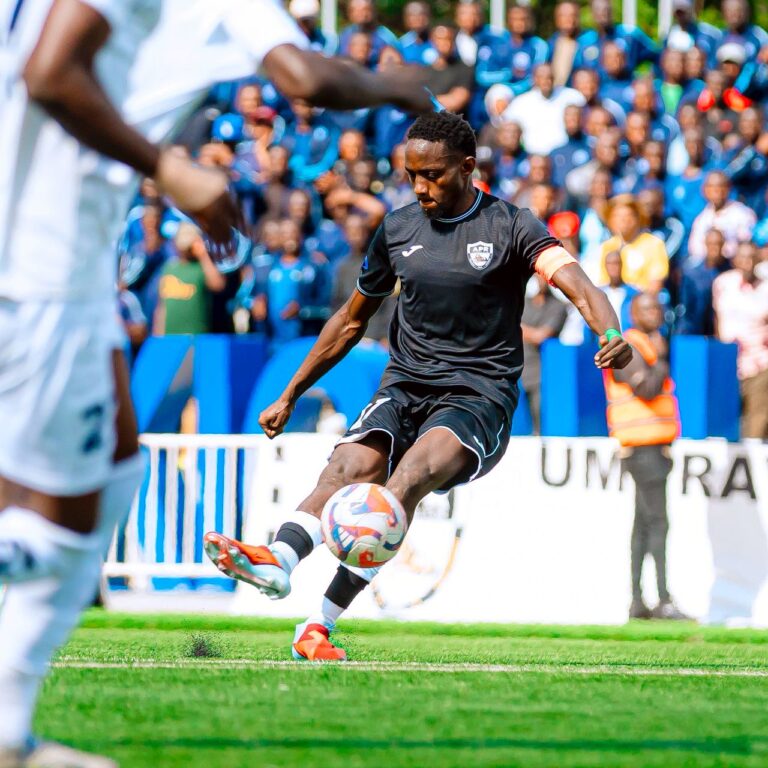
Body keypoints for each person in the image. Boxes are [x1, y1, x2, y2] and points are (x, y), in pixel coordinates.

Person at [0, 1, 433, 765]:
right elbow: (51, 73)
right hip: (37, 266)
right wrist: (175, 171)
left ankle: (9, 728)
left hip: (67, 270)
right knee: (69, 508)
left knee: (109, 474)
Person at [203, 111, 633, 661]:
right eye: (411, 175)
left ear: (468, 167)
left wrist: (610, 331)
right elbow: (351, 320)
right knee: (347, 468)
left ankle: (320, 623)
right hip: (406, 383)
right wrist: (290, 393)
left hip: (479, 396)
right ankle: (279, 561)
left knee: (404, 482)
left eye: (433, 175)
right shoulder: (398, 228)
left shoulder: (513, 226)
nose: (421, 187)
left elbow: (581, 285)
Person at [603, 293, 690, 621]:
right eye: (648, 309)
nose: (656, 313)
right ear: (633, 313)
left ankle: (638, 603)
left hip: (650, 446)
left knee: (642, 524)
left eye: (658, 308)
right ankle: (663, 600)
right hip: (642, 448)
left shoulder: (644, 346)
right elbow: (648, 388)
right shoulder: (627, 347)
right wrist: (663, 357)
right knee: (658, 522)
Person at [713, 241, 768, 438]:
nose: (747, 263)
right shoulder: (722, 284)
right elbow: (717, 319)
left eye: (752, 258)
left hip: (759, 363)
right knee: (725, 423)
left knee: (756, 422)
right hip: (728, 362)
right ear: (735, 260)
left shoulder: (765, 288)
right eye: (743, 258)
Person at [154, 223, 226, 335]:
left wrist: (203, 254)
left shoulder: (201, 268)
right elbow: (161, 307)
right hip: (169, 337)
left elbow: (218, 285)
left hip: (195, 337)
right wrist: (158, 334)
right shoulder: (169, 268)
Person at [501, 63, 585, 155]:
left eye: (549, 77)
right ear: (535, 79)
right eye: (541, 77)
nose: (546, 81)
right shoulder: (520, 103)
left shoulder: (571, 96)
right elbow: (505, 125)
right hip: (532, 156)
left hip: (563, 154)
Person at [521, 275, 568, 434]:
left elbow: (540, 336)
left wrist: (517, 327)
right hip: (518, 367)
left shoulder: (558, 306)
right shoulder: (523, 302)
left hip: (542, 372)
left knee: (540, 420)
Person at [599, 194, 670, 293]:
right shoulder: (607, 246)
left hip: (641, 298)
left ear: (638, 218)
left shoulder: (654, 244)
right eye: (617, 216)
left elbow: (655, 283)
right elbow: (603, 281)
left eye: (628, 215)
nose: (623, 220)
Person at [687, 171, 756, 264]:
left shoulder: (742, 214)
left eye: (720, 186)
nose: (716, 191)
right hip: (708, 265)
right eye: (711, 187)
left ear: (729, 188)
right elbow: (695, 249)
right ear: (704, 190)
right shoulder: (701, 219)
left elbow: (747, 245)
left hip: (733, 265)